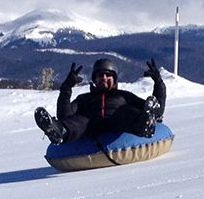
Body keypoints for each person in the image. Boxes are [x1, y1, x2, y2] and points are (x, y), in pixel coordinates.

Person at [35, 58, 166, 145]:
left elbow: (158, 111)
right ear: (95, 79)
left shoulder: (124, 96)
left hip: (118, 124)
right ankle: (58, 131)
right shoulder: (84, 99)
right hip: (91, 128)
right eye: (100, 75)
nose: (104, 78)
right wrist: (66, 87)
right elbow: (65, 115)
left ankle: (144, 125)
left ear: (114, 79)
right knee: (80, 120)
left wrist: (158, 82)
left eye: (108, 75)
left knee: (126, 111)